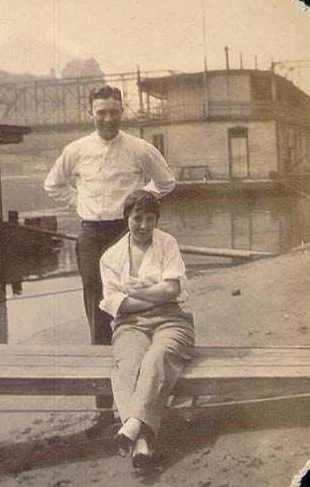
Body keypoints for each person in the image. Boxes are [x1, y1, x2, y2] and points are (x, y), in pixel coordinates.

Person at [44, 85, 175, 346]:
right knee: (97, 299)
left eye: (114, 112)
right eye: (101, 112)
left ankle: (137, 353)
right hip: (91, 234)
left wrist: (137, 203)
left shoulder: (139, 148)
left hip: (128, 232)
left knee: (135, 290)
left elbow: (166, 183)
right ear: (90, 112)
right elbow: (53, 185)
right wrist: (80, 201)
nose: (108, 119)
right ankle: (100, 363)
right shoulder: (77, 149)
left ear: (122, 111)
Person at [99, 190, 195, 468]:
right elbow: (117, 306)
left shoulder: (167, 244)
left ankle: (131, 424)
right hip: (129, 326)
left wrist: (135, 295)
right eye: (137, 218)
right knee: (129, 366)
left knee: (155, 359)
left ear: (157, 219)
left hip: (172, 320)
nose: (143, 226)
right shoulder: (111, 257)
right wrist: (155, 293)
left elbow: (173, 289)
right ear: (126, 218)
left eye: (150, 219)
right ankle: (141, 438)